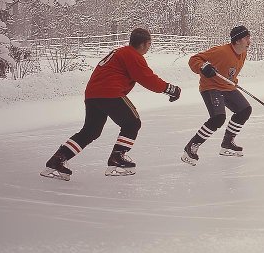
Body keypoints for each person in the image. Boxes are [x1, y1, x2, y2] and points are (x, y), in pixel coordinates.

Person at [41, 28, 180, 180]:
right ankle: (117, 158)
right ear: (144, 44)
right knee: (132, 123)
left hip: (93, 95)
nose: (149, 47)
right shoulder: (132, 55)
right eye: (149, 44)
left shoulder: (120, 52)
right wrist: (170, 89)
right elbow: (148, 79)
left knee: (91, 131)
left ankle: (57, 159)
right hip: (110, 93)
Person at [181, 25, 252, 166]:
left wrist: (233, 82)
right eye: (246, 38)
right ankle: (191, 147)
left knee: (244, 110)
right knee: (218, 118)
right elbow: (194, 59)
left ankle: (227, 143)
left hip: (227, 87)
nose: (249, 41)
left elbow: (230, 72)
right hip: (211, 87)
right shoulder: (221, 51)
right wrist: (203, 67)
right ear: (237, 41)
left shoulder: (243, 53)